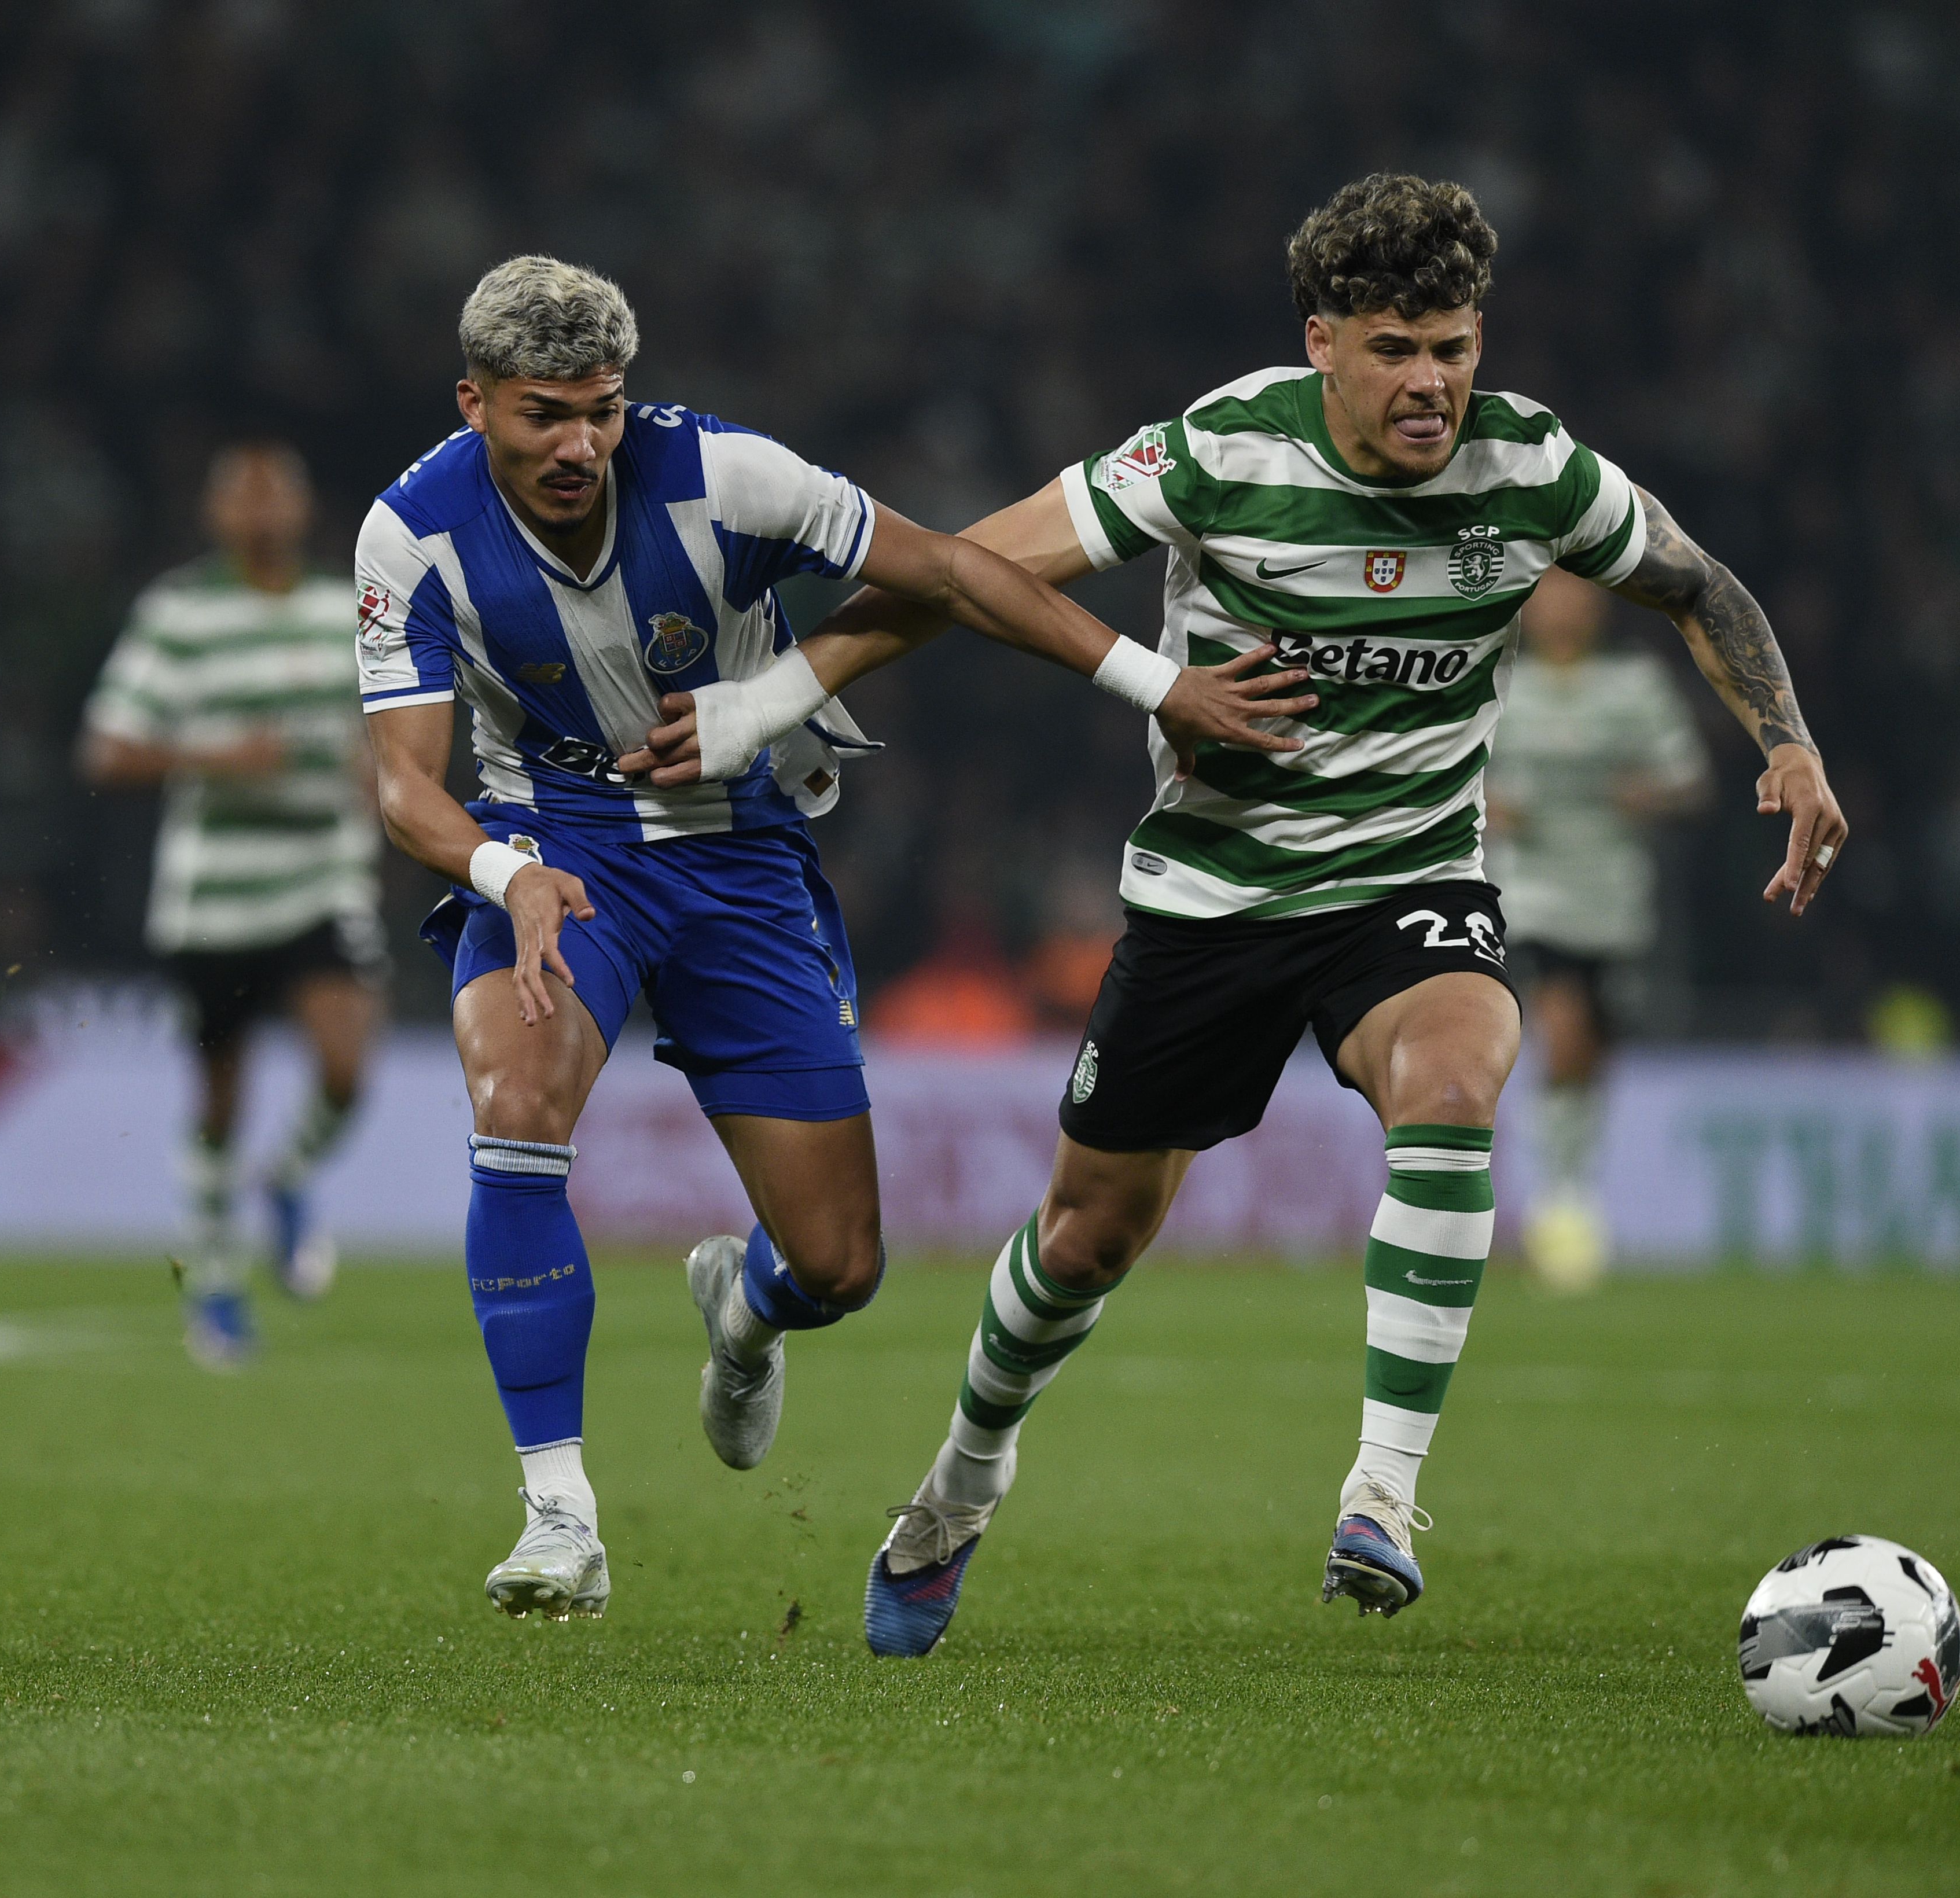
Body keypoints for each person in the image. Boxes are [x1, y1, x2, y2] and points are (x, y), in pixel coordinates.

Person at [631, 174, 1845, 1652]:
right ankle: (960, 1481)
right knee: (1085, 1240)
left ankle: (1382, 1494)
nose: (1433, 381)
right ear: (1323, 340)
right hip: (1212, 897)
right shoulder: (1218, 449)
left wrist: (1787, 740)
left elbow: (1696, 583)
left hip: (1408, 880)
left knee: (1459, 1076)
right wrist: (767, 700)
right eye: (1397, 347)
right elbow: (970, 570)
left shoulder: (1533, 470)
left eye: (1456, 345)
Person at [356, 256, 1297, 1620]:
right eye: (542, 414)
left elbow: (960, 573)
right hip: (555, 845)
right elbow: (400, 782)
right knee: (515, 1101)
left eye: (602, 412)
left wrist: (1161, 685)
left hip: (740, 857)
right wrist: (510, 874)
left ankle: (746, 1306)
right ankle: (559, 1512)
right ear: (475, 400)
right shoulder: (413, 531)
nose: (578, 445)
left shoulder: (726, 475)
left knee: (842, 1266)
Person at [83, 444, 387, 1368]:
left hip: (322, 879)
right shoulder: (179, 613)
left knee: (345, 1066)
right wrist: (218, 757)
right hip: (213, 896)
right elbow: (107, 751)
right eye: (243, 498)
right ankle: (213, 1283)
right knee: (219, 1101)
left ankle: (288, 1178)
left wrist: (385, 770)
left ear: (302, 510)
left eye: (276, 496)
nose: (260, 514)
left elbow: (393, 722)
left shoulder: (348, 607)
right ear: (217, 516)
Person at [1491, 567, 1711, 1289]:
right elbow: (1453, 774)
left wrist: (1648, 793)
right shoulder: (1501, 687)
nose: (1562, 605)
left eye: (1575, 593)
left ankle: (1574, 1189)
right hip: (1531, 893)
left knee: (1593, 1054)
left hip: (1613, 895)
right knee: (1562, 1028)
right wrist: (1489, 806)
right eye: (1549, 592)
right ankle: (1555, 1203)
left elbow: (1690, 780)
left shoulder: (1634, 689)